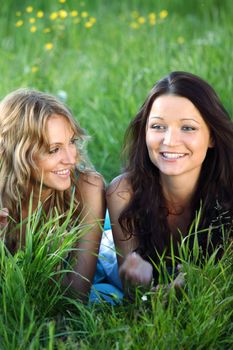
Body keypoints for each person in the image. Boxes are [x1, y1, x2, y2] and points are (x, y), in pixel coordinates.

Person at [107, 71, 233, 293]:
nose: (170, 141)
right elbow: (132, 292)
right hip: (106, 247)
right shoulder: (122, 192)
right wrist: (139, 283)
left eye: (188, 128)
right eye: (157, 126)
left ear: (212, 136)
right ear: (144, 131)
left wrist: (195, 282)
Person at [0, 88, 105, 302]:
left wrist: (46, 262)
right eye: (54, 149)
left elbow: (77, 293)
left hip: (106, 242)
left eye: (72, 142)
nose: (70, 158)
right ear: (18, 153)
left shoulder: (87, 188)